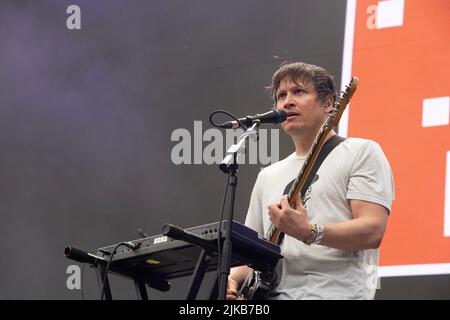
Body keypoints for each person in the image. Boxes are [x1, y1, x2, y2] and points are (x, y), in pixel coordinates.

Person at [226, 62, 395, 300]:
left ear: (328, 103)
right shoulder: (268, 175)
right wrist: (232, 280)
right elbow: (253, 254)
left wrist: (309, 232)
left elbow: (372, 230)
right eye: (281, 96)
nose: (287, 102)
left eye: (299, 92)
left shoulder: (361, 152)